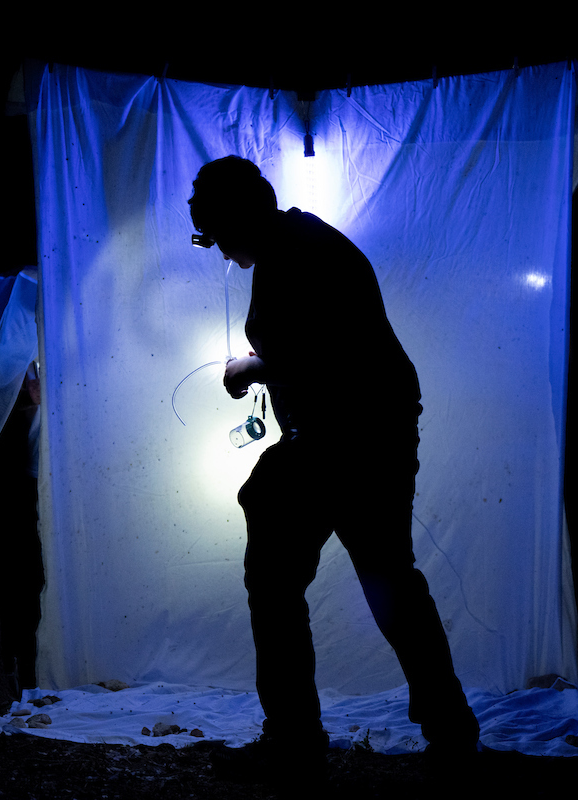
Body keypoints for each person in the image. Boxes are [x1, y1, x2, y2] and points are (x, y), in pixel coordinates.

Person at [188, 156, 479, 782]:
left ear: (238, 219)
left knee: (287, 581)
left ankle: (295, 740)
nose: (220, 252)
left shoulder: (300, 252)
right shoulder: (300, 245)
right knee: (388, 582)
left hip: (347, 442)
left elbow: (324, 354)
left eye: (216, 235)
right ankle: (450, 731)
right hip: (362, 438)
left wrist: (253, 367)